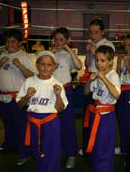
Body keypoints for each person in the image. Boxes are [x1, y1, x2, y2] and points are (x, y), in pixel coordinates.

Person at [16, 51, 68, 172]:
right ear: (37, 65)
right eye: (42, 64)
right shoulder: (29, 81)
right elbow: (19, 105)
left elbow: (60, 109)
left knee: (52, 152)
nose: (45, 67)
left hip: (51, 122)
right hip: (34, 122)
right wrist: (27, 97)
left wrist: (58, 95)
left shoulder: (57, 84)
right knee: (37, 151)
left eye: (49, 65)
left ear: (54, 67)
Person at [0, 29, 36, 166]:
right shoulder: (3, 55)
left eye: (13, 41)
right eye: (8, 41)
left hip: (18, 97)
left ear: (19, 43)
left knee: (21, 126)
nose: (10, 44)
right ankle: (9, 145)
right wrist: (0, 63)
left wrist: (20, 65)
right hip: (4, 97)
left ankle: (24, 153)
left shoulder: (24, 56)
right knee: (7, 124)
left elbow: (32, 75)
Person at [84, 45, 121, 172]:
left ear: (111, 61)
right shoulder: (97, 75)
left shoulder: (113, 76)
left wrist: (104, 78)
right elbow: (86, 93)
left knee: (105, 147)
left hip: (106, 115)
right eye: (97, 60)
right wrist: (89, 81)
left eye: (102, 60)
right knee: (95, 145)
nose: (98, 63)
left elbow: (116, 94)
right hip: (95, 113)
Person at [50, 27, 82, 168]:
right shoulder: (48, 54)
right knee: (51, 124)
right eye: (56, 39)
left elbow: (79, 66)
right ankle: (55, 152)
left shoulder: (68, 55)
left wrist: (68, 48)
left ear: (67, 40)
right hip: (50, 91)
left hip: (65, 90)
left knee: (68, 124)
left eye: (61, 40)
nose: (58, 42)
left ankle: (71, 154)